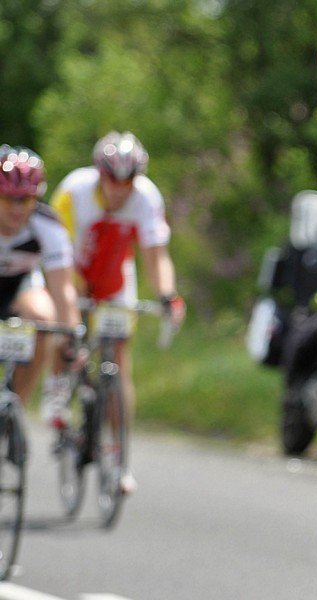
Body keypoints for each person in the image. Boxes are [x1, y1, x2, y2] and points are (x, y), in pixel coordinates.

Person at [43, 131, 185, 492]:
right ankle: (58, 389)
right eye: (112, 179)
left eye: (128, 181)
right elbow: (55, 252)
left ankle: (119, 457)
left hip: (115, 281)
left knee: (119, 365)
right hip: (72, 273)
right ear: (99, 174)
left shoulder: (146, 197)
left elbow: (156, 256)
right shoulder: (73, 191)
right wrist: (73, 297)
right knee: (67, 332)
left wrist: (168, 295)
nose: (120, 189)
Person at [0, 145, 82, 417]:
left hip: (20, 285)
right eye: (8, 198)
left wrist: (71, 336)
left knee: (43, 318)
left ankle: (15, 410)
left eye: (25, 200)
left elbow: (63, 289)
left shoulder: (48, 225)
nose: (16, 208)